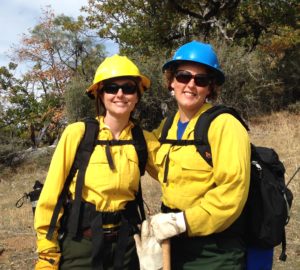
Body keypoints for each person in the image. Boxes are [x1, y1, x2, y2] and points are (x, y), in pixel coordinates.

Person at [34, 54, 155, 270]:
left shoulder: (142, 139)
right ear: (100, 94)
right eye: (111, 87)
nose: (120, 94)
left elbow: (174, 174)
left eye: (128, 88)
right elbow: (51, 195)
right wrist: (47, 253)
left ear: (138, 95)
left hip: (126, 247)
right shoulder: (78, 134)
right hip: (81, 247)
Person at [148, 40, 251, 269]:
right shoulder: (167, 127)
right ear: (171, 81)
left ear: (210, 88)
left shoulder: (225, 125)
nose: (191, 85)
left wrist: (182, 221)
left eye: (201, 80)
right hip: (173, 245)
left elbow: (231, 193)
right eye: (183, 76)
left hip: (215, 251)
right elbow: (152, 156)